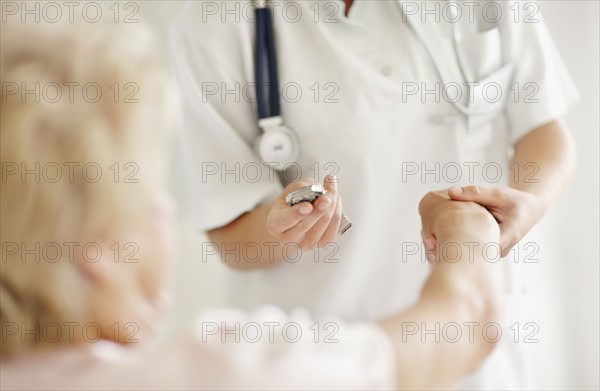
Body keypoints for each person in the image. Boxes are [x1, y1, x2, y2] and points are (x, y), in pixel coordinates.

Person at [1, 16, 504, 390]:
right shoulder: (227, 374)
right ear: (100, 248)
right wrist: (465, 226)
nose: (166, 210)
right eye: (151, 191)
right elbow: (468, 323)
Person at [170, 0, 577, 388]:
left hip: (481, 361)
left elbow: (545, 128)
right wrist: (283, 225)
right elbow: (231, 236)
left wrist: (530, 202)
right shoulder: (212, 26)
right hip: (334, 361)